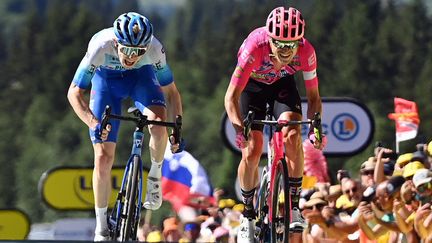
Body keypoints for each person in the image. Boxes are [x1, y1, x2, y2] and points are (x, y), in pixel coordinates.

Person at [67, 12, 184, 241]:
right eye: (128, 50)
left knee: (158, 125)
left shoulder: (154, 49)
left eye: (139, 52)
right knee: (102, 157)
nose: (132, 57)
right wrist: (93, 122)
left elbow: (172, 93)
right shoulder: (100, 46)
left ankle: (155, 178)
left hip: (141, 80)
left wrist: (177, 128)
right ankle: (101, 226)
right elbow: (74, 93)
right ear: (115, 43)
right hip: (106, 84)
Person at [224, 6, 325, 242]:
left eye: (291, 45)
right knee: (252, 148)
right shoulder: (254, 49)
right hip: (253, 88)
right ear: (270, 39)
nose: (286, 51)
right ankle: (248, 213)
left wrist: (315, 128)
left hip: (283, 86)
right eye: (280, 44)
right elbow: (231, 97)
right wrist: (240, 129)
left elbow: (314, 98)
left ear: (299, 41)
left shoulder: (307, 51)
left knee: (292, 135)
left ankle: (294, 205)